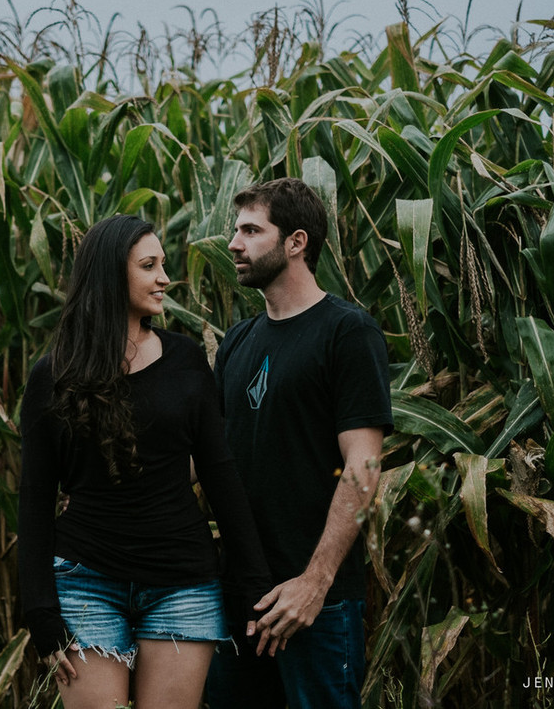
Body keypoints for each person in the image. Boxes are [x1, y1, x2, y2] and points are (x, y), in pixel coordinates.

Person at [17, 214, 271, 709]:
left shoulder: (185, 360)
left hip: (183, 583)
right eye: (149, 266)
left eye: (163, 265)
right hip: (85, 581)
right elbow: (34, 498)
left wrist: (254, 580)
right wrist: (40, 612)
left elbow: (220, 476)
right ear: (112, 275)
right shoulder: (53, 375)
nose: (164, 278)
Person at [206, 178, 393, 709]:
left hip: (317, 606)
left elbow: (364, 464)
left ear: (296, 242)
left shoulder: (346, 332)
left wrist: (315, 583)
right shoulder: (238, 341)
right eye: (234, 231)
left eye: (250, 230)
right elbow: (208, 460)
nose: (234, 244)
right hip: (240, 598)